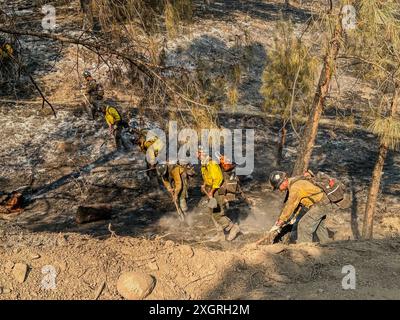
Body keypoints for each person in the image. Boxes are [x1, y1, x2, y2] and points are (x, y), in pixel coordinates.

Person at [268, 170, 331, 243]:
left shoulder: (295, 188)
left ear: (283, 182)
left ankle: (305, 250)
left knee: (303, 225)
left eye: (278, 187)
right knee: (319, 227)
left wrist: (280, 221)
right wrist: (291, 218)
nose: (279, 190)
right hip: (323, 202)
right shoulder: (294, 183)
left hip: (321, 204)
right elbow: (298, 204)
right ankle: (327, 246)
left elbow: (290, 205)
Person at [197, 148, 240, 241]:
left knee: (217, 214)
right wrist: (204, 184)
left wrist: (211, 192)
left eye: (200, 153)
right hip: (211, 188)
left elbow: (218, 179)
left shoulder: (211, 163)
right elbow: (207, 176)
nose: (198, 155)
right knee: (212, 212)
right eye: (198, 153)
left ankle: (233, 227)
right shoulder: (204, 163)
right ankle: (220, 234)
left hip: (217, 190)